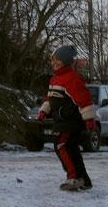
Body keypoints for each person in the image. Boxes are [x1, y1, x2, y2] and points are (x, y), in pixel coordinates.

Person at [37, 45, 96, 191]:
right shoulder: (54, 79)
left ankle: (73, 177)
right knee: (70, 148)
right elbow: (50, 98)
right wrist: (43, 111)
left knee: (61, 145)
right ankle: (83, 180)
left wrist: (89, 120)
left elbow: (84, 100)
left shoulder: (72, 79)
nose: (54, 63)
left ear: (66, 61)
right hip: (62, 121)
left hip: (72, 121)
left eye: (58, 60)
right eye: (53, 60)